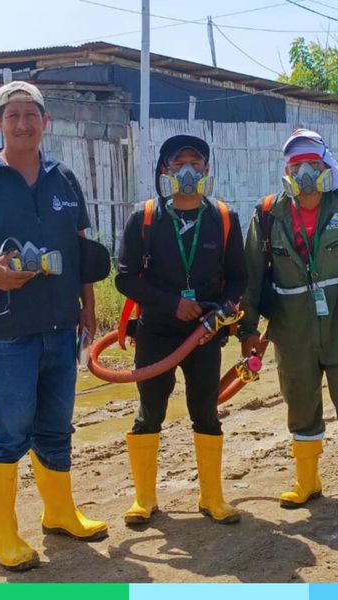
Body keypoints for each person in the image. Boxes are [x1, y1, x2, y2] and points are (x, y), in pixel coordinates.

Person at [0, 81, 106, 571]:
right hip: (7, 328)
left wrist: (88, 304)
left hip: (60, 326)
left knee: (56, 425)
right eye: (12, 115)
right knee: (10, 430)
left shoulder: (64, 179)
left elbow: (80, 246)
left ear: (45, 122)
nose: (22, 123)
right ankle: (3, 535)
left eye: (31, 114)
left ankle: (60, 513)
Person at [237, 128, 338, 521]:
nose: (304, 173)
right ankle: (307, 482)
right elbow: (251, 275)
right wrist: (248, 329)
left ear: (326, 167)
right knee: (300, 403)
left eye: (312, 164)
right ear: (286, 171)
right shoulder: (267, 214)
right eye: (296, 166)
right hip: (292, 332)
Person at [115, 134, 247, 525]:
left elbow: (239, 278)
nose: (188, 170)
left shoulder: (224, 218)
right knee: (149, 412)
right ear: (165, 170)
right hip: (156, 332)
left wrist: (219, 313)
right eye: (179, 163)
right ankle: (144, 500)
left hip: (204, 334)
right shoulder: (145, 218)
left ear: (206, 170)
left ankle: (212, 498)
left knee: (206, 412)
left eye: (196, 163)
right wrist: (171, 303)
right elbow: (125, 278)